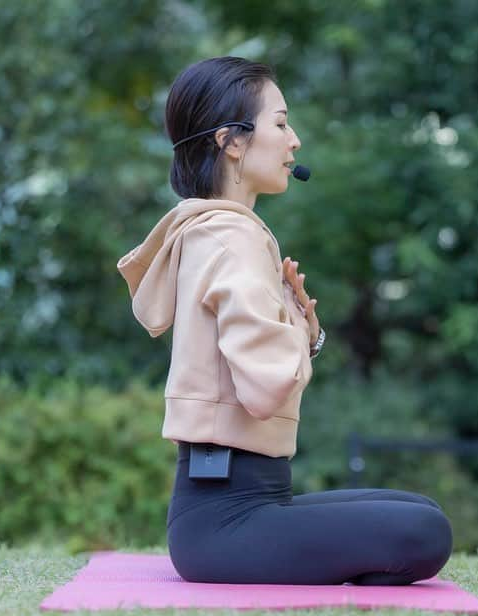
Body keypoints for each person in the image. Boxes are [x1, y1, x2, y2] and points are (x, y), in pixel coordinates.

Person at [117, 56, 452, 585]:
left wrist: (303, 331)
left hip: (239, 504)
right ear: (231, 141)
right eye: (280, 122)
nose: (293, 140)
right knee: (424, 534)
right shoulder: (233, 239)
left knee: (419, 508)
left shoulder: (215, 232)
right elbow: (265, 389)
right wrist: (299, 329)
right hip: (224, 523)